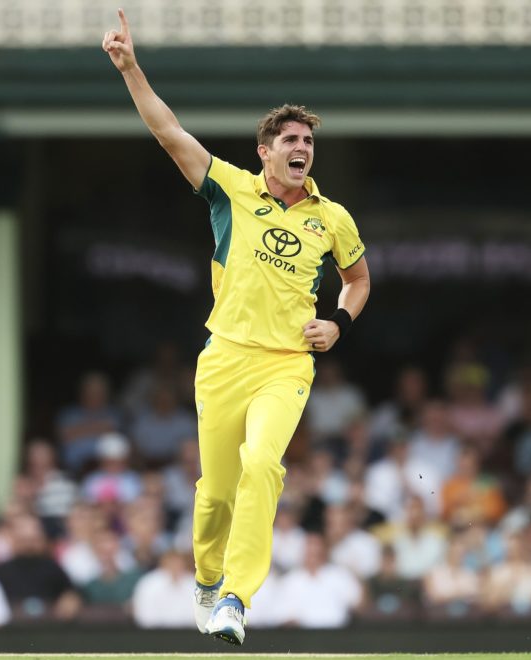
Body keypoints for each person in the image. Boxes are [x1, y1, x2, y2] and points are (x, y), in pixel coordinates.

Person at [103, 8, 370, 646]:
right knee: (216, 492)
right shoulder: (230, 189)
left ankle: (235, 598)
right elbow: (169, 132)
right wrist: (130, 67)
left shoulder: (333, 217)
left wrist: (337, 324)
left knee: (263, 465)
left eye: (308, 141)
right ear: (265, 152)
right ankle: (205, 577)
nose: (301, 149)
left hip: (286, 363)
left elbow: (358, 282)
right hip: (223, 358)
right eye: (290, 141)